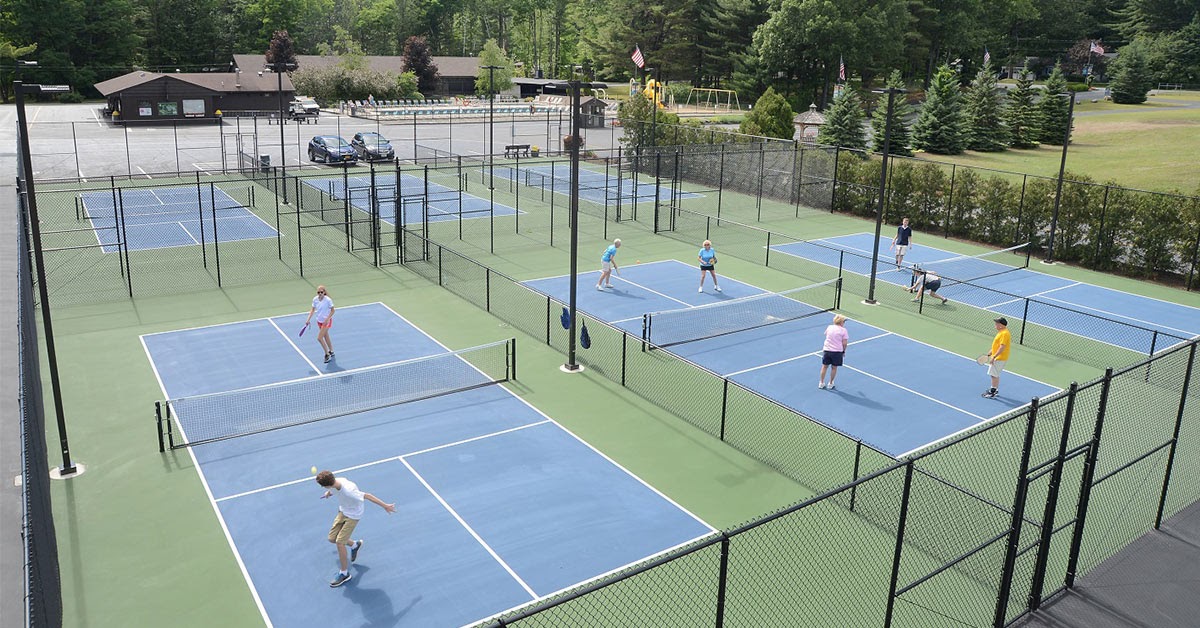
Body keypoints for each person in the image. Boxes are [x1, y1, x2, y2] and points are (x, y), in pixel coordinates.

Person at [316, 470, 396, 588]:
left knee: (340, 542)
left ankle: (344, 573)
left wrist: (385, 506)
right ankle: (354, 545)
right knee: (332, 538)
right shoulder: (335, 481)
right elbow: (333, 489)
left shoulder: (349, 491)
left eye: (324, 487)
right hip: (343, 510)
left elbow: (367, 496)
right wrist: (329, 493)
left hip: (353, 515)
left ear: (328, 484)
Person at [305, 285, 336, 363]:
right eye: (318, 292)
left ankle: (327, 354)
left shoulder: (328, 300)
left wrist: (327, 319)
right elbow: (312, 310)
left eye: (321, 292)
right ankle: (331, 350)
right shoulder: (315, 300)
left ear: (324, 292)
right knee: (325, 336)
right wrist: (308, 319)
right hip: (319, 321)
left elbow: (333, 311)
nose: (320, 294)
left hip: (326, 322)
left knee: (319, 338)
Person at [982, 317, 1012, 398]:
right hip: (997, 357)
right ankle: (995, 389)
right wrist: (991, 352)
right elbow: (998, 345)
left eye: (997, 323)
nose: (995, 325)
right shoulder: (1001, 332)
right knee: (994, 374)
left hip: (999, 358)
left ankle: (993, 392)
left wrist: (994, 356)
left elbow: (1002, 347)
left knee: (994, 374)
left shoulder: (1004, 334)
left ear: (1001, 325)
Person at [819, 314, 849, 390]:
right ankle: (830, 383)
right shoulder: (844, 330)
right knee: (834, 368)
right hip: (837, 352)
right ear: (841, 322)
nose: (844, 323)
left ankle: (821, 383)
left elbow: (826, 335)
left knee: (824, 366)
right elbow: (844, 343)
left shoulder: (829, 327)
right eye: (844, 321)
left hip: (827, 350)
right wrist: (843, 351)